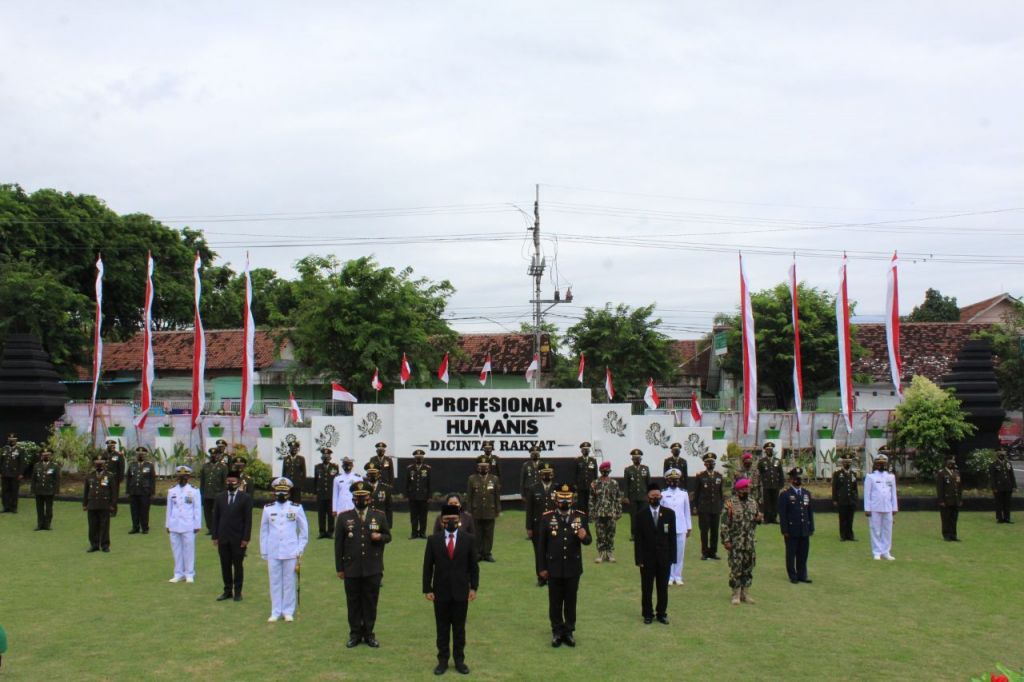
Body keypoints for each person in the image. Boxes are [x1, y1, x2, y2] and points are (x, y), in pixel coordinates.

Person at [423, 503, 478, 675]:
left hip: (461, 592)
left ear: (459, 520)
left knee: (459, 629)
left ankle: (460, 661)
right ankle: (442, 661)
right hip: (440, 592)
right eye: (447, 519)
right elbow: (427, 566)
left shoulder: (468, 539)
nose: (451, 522)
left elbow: (473, 566)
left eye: (454, 519)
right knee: (442, 629)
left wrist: (474, 587)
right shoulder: (433, 540)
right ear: (441, 521)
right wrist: (427, 589)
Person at [335, 481, 391, 646]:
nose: (360, 500)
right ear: (353, 499)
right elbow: (338, 545)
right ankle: (355, 634)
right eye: (357, 497)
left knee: (370, 602)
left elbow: (388, 536)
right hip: (351, 567)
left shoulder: (379, 515)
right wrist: (340, 568)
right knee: (353, 602)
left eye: (363, 497)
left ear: (369, 498)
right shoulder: (344, 517)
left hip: (372, 567)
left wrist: (379, 537)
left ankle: (369, 634)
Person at [537, 484, 591, 647]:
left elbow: (588, 541)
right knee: (555, 602)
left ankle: (569, 631)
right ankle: (557, 631)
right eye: (561, 499)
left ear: (572, 499)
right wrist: (542, 568)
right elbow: (541, 546)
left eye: (567, 499)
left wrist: (584, 536)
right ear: (556, 499)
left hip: (572, 568)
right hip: (553, 567)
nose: (564, 502)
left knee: (570, 601)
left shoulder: (580, 517)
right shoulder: (547, 518)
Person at [261, 477, 309, 622]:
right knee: (274, 581)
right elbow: (264, 531)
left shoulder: (296, 507)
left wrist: (299, 549)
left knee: (289, 581)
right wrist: (264, 550)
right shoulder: (268, 508)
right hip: (273, 550)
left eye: (284, 491)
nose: (281, 494)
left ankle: (288, 611)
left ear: (288, 492)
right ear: (275, 492)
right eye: (278, 491)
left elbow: (304, 531)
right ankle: (275, 611)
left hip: (290, 551)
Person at [633, 482, 676, 625]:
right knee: (647, 588)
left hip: (664, 558)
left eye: (658, 495)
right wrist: (638, 559)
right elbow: (638, 539)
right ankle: (647, 614)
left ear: (661, 496)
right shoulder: (640, 515)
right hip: (647, 558)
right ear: (648, 497)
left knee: (662, 588)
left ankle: (662, 613)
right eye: (653, 496)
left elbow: (672, 538)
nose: (655, 498)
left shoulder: (669, 514)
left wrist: (672, 557)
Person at [212, 471, 253, 602]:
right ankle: (227, 591)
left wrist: (246, 538)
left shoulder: (245, 498)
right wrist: (215, 536)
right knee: (225, 565)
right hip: (223, 537)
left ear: (239, 482)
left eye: (233, 481)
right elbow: (215, 518)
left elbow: (248, 520)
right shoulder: (219, 497)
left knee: (238, 565)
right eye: (228, 481)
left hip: (238, 538)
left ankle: (238, 592)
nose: (230, 484)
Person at [720, 478, 762, 605]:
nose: (748, 490)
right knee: (736, 568)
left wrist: (759, 519)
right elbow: (724, 524)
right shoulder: (730, 503)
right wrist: (726, 541)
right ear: (739, 490)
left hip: (749, 541)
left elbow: (755, 519)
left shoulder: (753, 502)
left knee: (748, 567)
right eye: (745, 488)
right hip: (736, 542)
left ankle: (745, 593)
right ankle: (736, 593)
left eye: (748, 488)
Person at [166, 466, 202, 583]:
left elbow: (197, 509)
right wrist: (168, 524)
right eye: (180, 477)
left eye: (184, 476)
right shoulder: (172, 490)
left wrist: (197, 525)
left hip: (188, 524)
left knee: (188, 550)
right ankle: (178, 573)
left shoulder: (194, 490)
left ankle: (189, 573)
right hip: (174, 524)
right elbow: (169, 508)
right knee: (176, 550)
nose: (182, 479)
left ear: (188, 477)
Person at [778, 468, 815, 583]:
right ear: (791, 479)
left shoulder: (806, 493)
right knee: (791, 553)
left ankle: (802, 575)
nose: (798, 480)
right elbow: (783, 514)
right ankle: (793, 575)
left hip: (804, 528)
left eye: (800, 478)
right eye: (796, 478)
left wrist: (811, 527)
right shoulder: (785, 494)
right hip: (791, 529)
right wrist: (784, 530)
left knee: (803, 553)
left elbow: (809, 512)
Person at [525, 462, 556, 586]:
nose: (547, 476)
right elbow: (529, 510)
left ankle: (552, 576)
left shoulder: (557, 488)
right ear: (540, 475)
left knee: (553, 551)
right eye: (544, 474)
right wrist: (528, 527)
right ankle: (541, 577)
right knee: (539, 552)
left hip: (553, 525)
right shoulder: (534, 488)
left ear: (552, 474)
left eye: (549, 474)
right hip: (538, 526)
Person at [660, 468, 692, 585]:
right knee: (668, 552)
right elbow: (660, 512)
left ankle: (678, 576)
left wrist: (689, 527)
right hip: (667, 528)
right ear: (667, 481)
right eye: (671, 480)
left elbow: (687, 511)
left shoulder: (684, 494)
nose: (673, 482)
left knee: (679, 553)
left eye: (676, 480)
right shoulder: (663, 494)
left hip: (681, 527)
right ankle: (669, 576)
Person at [465, 456, 500, 562]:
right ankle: (478, 553)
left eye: (485, 466)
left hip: (490, 510)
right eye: (481, 466)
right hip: (476, 510)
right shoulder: (472, 479)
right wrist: (469, 510)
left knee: (489, 533)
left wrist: (498, 509)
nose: (483, 468)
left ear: (489, 467)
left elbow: (496, 496)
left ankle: (487, 553)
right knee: (477, 533)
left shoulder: (494, 479)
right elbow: (469, 496)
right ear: (478, 467)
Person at [863, 453, 898, 560]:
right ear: (876, 465)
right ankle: (877, 552)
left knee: (887, 530)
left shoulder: (891, 477)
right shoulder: (870, 477)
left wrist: (894, 508)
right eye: (879, 464)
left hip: (887, 507)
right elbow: (867, 494)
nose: (881, 466)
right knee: (875, 530)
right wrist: (867, 509)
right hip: (875, 507)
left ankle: (886, 551)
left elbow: (893, 493)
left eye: (883, 464)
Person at [692, 453, 724, 560]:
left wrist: (721, 506)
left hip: (715, 508)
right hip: (704, 508)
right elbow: (696, 493)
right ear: (705, 464)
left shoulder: (719, 476)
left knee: (715, 532)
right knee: (704, 531)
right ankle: (705, 552)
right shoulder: (700, 477)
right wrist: (695, 506)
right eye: (708, 462)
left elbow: (720, 493)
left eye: (712, 462)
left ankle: (713, 552)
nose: (711, 464)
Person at [590, 461, 622, 563]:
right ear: (600, 471)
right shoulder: (595, 483)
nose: (605, 472)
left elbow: (618, 498)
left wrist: (619, 511)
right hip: (599, 513)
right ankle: (601, 554)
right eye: (603, 470)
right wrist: (591, 513)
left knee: (611, 534)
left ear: (609, 471)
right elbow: (591, 499)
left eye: (607, 470)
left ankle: (609, 553)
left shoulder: (614, 483)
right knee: (600, 534)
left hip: (611, 513)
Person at [83, 455, 115, 552]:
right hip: (92, 504)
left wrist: (112, 505)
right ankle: (94, 544)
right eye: (97, 463)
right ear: (94, 463)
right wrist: (85, 504)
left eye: (101, 462)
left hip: (104, 504)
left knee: (104, 526)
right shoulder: (90, 475)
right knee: (92, 526)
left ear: (104, 463)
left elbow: (113, 491)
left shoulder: (109, 475)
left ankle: (105, 545)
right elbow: (86, 491)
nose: (99, 464)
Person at [126, 446, 156, 534]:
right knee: (134, 510)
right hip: (134, 491)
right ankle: (135, 527)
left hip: (145, 492)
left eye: (142, 454)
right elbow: (128, 478)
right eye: (139, 454)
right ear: (136, 455)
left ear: (145, 455)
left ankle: (145, 527)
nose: (140, 455)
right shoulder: (132, 464)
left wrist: (152, 492)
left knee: (144, 510)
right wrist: (128, 491)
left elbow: (152, 480)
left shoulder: (149, 465)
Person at [623, 449, 650, 539]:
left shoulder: (645, 469)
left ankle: (643, 534)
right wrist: (626, 496)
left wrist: (649, 494)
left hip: (643, 497)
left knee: (644, 516)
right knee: (633, 516)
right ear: (632, 459)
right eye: (635, 458)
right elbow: (626, 484)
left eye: (638, 458)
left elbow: (648, 483)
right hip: (633, 497)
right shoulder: (628, 470)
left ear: (641, 459)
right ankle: (634, 534)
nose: (636, 460)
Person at [199, 447, 228, 534]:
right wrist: (201, 493)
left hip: (218, 494)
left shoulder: (223, 467)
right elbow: (202, 481)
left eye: (215, 454)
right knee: (207, 512)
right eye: (212, 454)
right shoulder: (205, 466)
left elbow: (225, 482)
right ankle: (210, 528)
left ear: (218, 455)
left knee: (217, 512)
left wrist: (224, 494)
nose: (213, 456)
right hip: (207, 493)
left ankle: (218, 528)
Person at [31, 448, 60, 531]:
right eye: (44, 455)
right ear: (41, 456)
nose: (46, 456)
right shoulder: (37, 465)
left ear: (50, 456)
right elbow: (33, 479)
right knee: (39, 509)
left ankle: (47, 524)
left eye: (47, 455)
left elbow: (57, 479)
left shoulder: (54, 466)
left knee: (49, 509)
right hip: (39, 490)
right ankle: (40, 524)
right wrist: (33, 489)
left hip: (49, 491)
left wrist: (56, 490)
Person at [831, 453, 859, 541]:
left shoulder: (853, 474)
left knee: (850, 518)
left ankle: (850, 535)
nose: (847, 464)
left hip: (851, 500)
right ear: (842, 463)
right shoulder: (837, 474)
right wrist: (835, 499)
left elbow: (855, 487)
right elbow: (835, 487)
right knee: (842, 518)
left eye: (849, 462)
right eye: (846, 462)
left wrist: (856, 498)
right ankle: (843, 535)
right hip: (841, 500)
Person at [314, 448, 340, 539]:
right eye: (324, 456)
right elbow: (316, 481)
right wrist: (316, 492)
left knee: (330, 514)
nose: (326, 458)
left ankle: (330, 532)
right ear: (322, 457)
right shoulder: (317, 467)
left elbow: (337, 481)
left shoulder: (335, 467)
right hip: (321, 494)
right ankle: (322, 532)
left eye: (327, 456)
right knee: (321, 514)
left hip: (331, 494)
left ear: (330, 457)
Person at [406, 449, 432, 539]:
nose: (418, 459)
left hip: (424, 496)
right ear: (414, 458)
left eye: (420, 457)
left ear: (423, 458)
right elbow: (407, 483)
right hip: (413, 496)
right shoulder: (410, 469)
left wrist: (429, 496)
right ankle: (414, 533)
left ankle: (422, 533)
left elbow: (430, 483)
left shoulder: (427, 469)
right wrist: (407, 495)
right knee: (413, 516)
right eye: (417, 458)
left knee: (423, 516)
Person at [937, 457, 963, 541]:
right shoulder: (942, 473)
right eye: (950, 462)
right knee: (946, 518)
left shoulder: (957, 472)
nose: (952, 464)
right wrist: (941, 500)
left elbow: (959, 487)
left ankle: (953, 534)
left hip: (955, 500)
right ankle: (946, 534)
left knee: (954, 518)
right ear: (946, 463)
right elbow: (940, 488)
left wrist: (959, 499)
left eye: (953, 462)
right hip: (946, 500)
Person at [757, 442, 784, 523]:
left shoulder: (777, 461)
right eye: (768, 450)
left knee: (775, 502)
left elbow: (781, 473)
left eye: (771, 449)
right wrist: (760, 483)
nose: (769, 451)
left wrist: (781, 484)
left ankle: (774, 518)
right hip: (766, 485)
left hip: (775, 485)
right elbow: (759, 474)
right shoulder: (762, 461)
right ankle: (766, 519)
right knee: (767, 502)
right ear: (765, 451)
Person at [990, 448, 1016, 523]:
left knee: (1007, 503)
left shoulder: (1008, 463)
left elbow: (1012, 475)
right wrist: (994, 487)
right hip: (998, 487)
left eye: (1003, 453)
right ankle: (1000, 518)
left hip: (1008, 486)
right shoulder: (994, 464)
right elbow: (992, 477)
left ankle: (1007, 518)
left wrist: (1014, 486)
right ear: (997, 454)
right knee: (999, 503)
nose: (1002, 454)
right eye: (1001, 453)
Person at [0, 434, 24, 513]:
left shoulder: (19, 450)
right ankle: (6, 507)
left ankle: (13, 507)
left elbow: (22, 463)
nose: (11, 441)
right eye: (10, 439)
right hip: (5, 474)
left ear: (16, 441)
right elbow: (1, 461)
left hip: (15, 474)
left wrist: (20, 473)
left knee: (14, 491)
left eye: (13, 440)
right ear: (8, 440)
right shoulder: (4, 449)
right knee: (5, 491)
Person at [366, 464, 394, 529]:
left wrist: (389, 524)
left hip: (380, 520)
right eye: (370, 474)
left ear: (378, 475)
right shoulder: (363, 488)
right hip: (366, 520)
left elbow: (389, 507)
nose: (372, 476)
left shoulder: (386, 488)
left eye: (374, 473)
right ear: (367, 475)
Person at [573, 442, 598, 515]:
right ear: (581, 451)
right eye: (584, 449)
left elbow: (595, 473)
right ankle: (581, 517)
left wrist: (595, 484)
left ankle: (588, 517)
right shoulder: (577, 460)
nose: (586, 451)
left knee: (589, 502)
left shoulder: (593, 460)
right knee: (581, 503)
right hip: (581, 486)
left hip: (590, 486)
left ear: (589, 451)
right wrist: (575, 484)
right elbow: (575, 473)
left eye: (587, 449)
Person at [104, 439, 126, 517]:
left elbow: (121, 467)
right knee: (104, 492)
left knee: (114, 494)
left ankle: (113, 511)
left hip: (114, 478)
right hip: (105, 478)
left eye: (112, 446)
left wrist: (121, 478)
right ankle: (105, 509)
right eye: (109, 446)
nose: (111, 447)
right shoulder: (104, 454)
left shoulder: (118, 455)